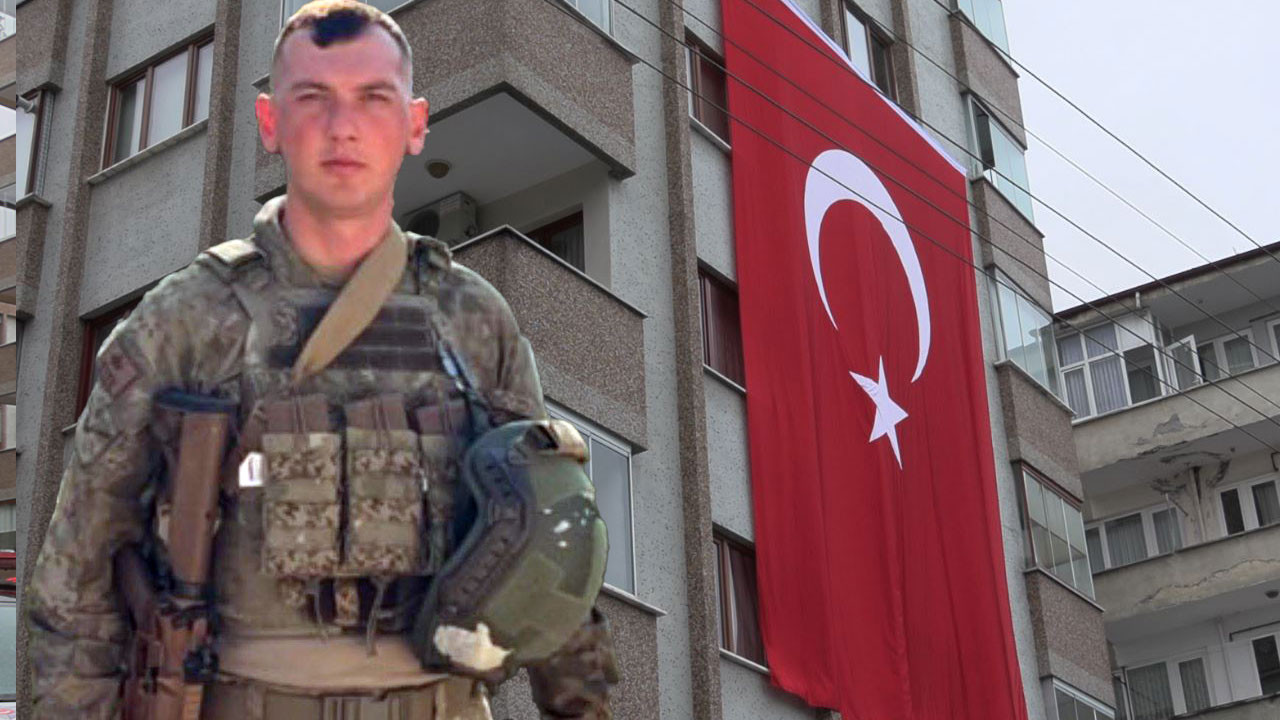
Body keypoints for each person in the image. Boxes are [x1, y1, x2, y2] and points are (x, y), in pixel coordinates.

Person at [25, 2, 618, 718]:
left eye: (374, 99)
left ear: (415, 125)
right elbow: (78, 572)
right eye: (314, 98)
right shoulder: (184, 321)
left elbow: (552, 547)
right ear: (270, 122)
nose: (344, 127)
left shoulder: (472, 319)